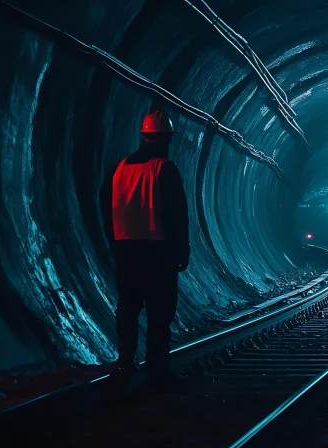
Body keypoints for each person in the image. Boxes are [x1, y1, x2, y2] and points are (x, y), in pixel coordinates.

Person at [99, 111, 190, 391]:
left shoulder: (119, 168)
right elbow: (177, 214)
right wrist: (181, 249)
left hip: (126, 250)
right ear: (165, 139)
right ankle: (157, 369)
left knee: (128, 307)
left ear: (143, 136)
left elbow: (105, 206)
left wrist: (114, 243)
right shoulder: (164, 169)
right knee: (160, 311)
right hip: (157, 250)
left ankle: (125, 363)